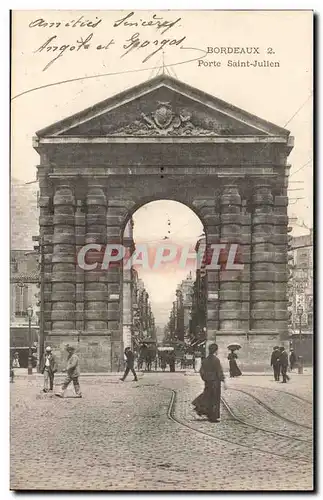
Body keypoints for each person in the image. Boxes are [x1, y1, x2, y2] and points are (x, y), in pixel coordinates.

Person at [192, 343, 226, 423]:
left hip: (208, 381)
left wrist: (205, 378)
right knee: (215, 399)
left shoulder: (205, 360)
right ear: (216, 351)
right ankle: (213, 417)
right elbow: (219, 372)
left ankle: (200, 410)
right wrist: (223, 380)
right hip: (215, 382)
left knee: (207, 396)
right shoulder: (216, 360)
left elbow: (201, 371)